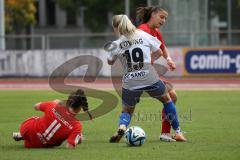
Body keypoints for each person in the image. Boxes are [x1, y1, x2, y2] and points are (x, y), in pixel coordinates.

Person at [107, 14, 186, 143]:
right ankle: (178, 132)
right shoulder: (143, 35)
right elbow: (159, 52)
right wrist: (149, 61)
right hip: (148, 76)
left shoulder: (116, 44)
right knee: (167, 100)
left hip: (130, 80)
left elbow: (110, 62)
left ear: (116, 28)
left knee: (127, 109)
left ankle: (122, 126)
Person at [137, 6, 178, 142]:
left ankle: (165, 134)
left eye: (166, 18)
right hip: (142, 75)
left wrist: (169, 59)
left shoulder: (155, 32)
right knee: (169, 98)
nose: (164, 20)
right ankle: (171, 132)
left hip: (149, 73)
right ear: (153, 15)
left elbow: (162, 47)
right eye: (161, 17)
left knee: (172, 96)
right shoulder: (142, 30)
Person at [12, 89, 91, 148]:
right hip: (37, 144)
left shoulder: (53, 105)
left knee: (36, 118)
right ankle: (24, 136)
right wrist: (78, 139)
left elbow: (35, 106)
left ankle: (22, 134)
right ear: (80, 108)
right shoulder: (77, 126)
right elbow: (69, 146)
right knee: (53, 136)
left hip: (28, 130)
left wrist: (53, 102)